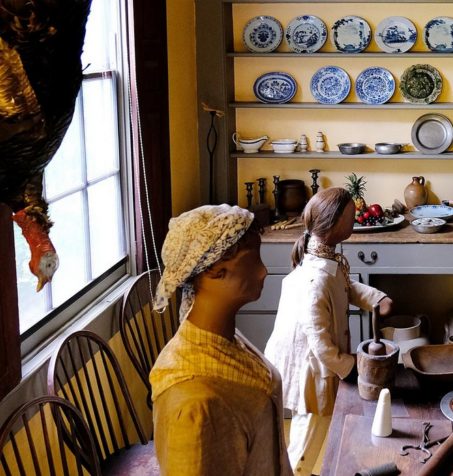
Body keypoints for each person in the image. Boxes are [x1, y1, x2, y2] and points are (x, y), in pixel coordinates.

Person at [149, 204, 292, 476]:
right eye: (253, 259)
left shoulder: (227, 339)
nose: (263, 271)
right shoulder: (193, 404)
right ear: (215, 269)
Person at [265, 187, 393, 476]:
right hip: (308, 370)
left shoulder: (323, 261)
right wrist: (352, 368)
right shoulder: (315, 279)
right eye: (351, 216)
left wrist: (376, 299)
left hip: (315, 363)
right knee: (307, 438)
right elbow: (321, 345)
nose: (356, 218)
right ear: (335, 226)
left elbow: (344, 287)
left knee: (316, 429)